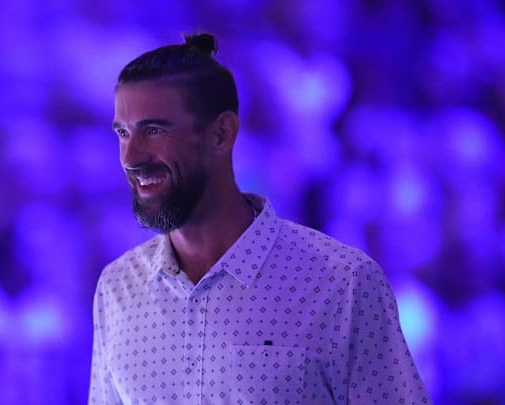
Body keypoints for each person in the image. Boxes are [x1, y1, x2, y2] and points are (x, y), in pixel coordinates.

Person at [89, 33, 430, 404]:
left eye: (155, 130)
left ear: (221, 133)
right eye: (123, 133)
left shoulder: (343, 284)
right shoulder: (117, 288)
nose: (130, 156)